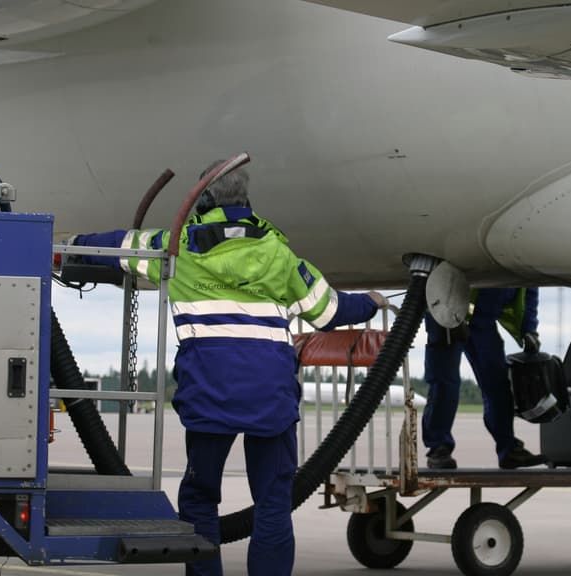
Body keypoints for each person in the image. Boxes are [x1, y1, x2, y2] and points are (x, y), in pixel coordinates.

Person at [70, 160, 386, 576]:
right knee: (273, 503)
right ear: (246, 198)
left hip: (210, 398)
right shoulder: (278, 253)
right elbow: (327, 311)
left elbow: (122, 247)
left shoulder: (177, 246)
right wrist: (370, 302)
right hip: (269, 399)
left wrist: (71, 243)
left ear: (202, 198)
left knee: (200, 500)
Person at [421, 287, 544, 470]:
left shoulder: (528, 261)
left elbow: (528, 288)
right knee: (445, 383)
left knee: (498, 386)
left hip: (483, 319)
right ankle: (439, 448)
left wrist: (529, 328)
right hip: (447, 314)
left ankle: (508, 449)